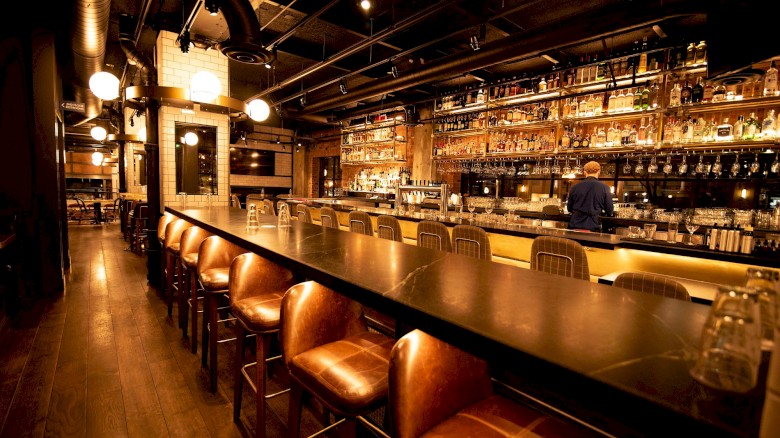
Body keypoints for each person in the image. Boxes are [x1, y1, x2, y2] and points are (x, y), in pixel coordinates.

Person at [567, 161, 613, 232]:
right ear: (599, 172)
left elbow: (569, 208)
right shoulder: (605, 187)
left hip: (575, 224)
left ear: (584, 172)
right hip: (593, 225)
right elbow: (609, 210)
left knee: (574, 243)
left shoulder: (575, 187)